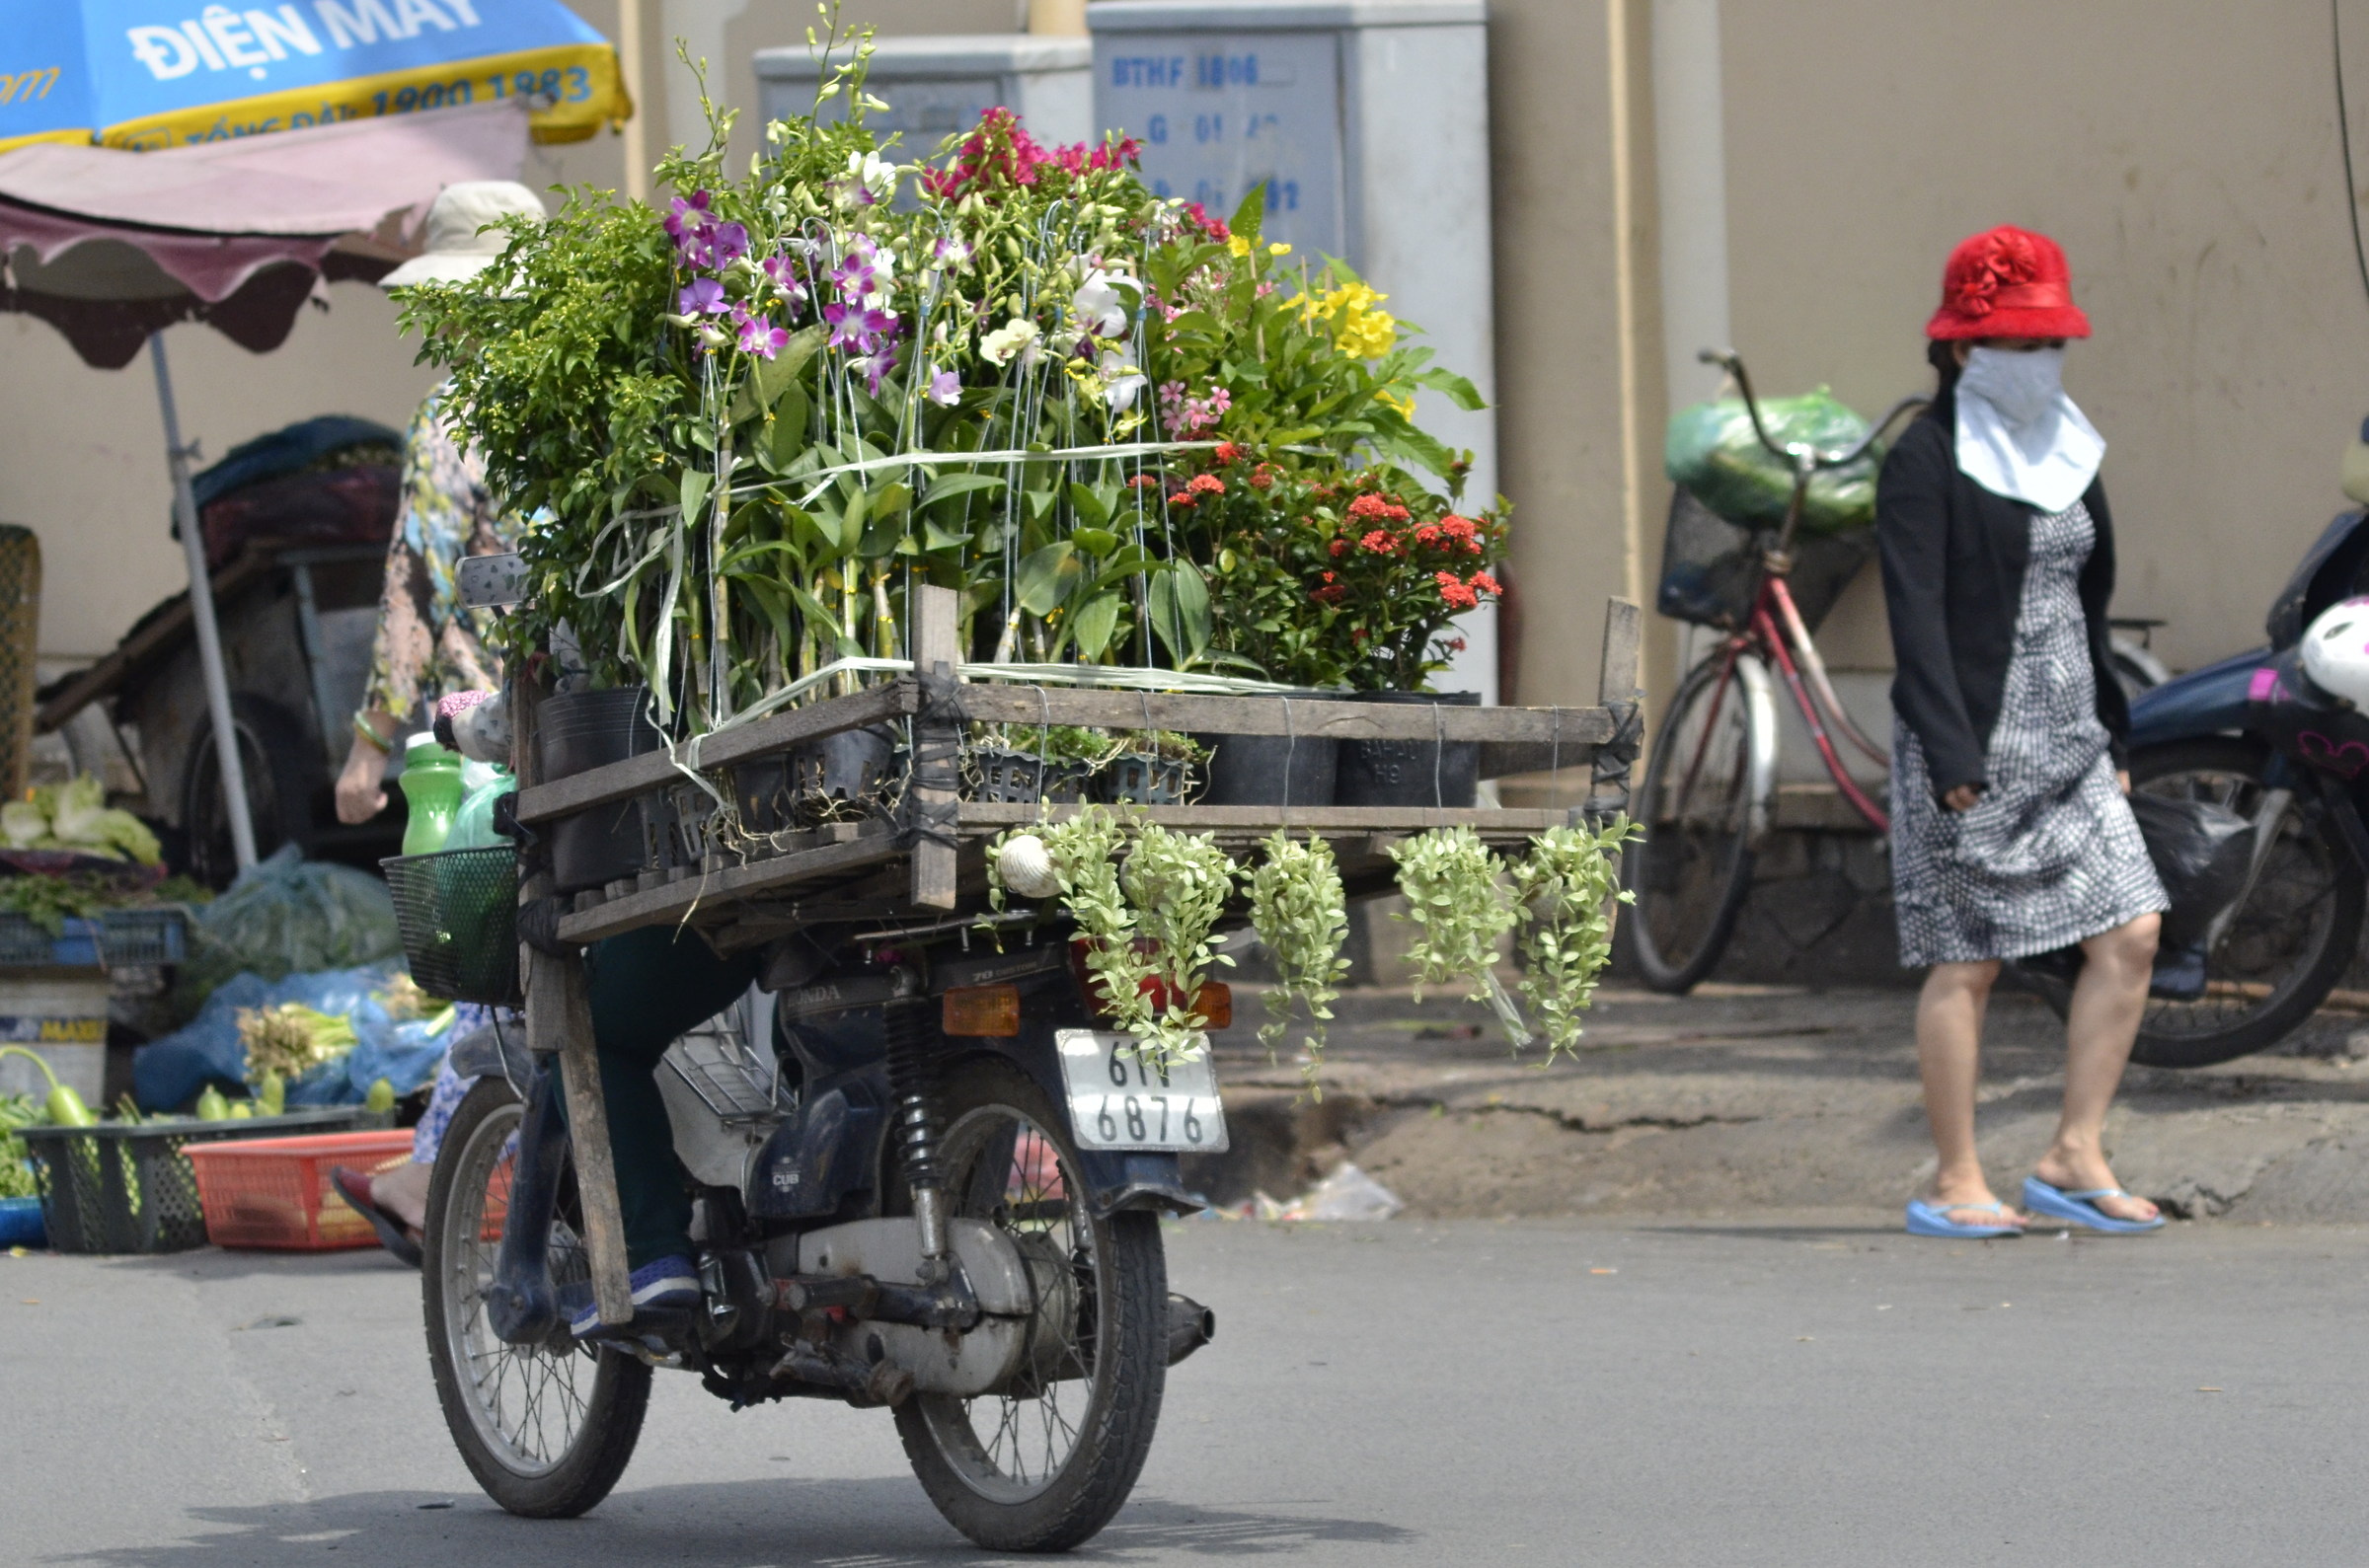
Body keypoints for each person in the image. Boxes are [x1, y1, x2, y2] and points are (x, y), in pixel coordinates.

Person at [1876, 224, 2169, 1239]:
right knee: (1970, 960)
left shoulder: (2068, 447)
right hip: (1968, 740)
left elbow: (2091, 605)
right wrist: (1952, 754)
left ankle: (2072, 1151)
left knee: (2131, 929)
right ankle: (1958, 1175)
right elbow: (1913, 615)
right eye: (2023, 343)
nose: (2045, 362)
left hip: (2072, 736)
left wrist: (2115, 740)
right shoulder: (1922, 458)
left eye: (2054, 343)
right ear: (1965, 350)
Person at [329, 181, 552, 1263]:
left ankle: (435, 1170)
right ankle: (436, 1163)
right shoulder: (583, 396)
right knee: (538, 938)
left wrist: (373, 740)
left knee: (493, 944)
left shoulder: (457, 413)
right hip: (601, 716)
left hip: (482, 730)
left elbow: (415, 585)